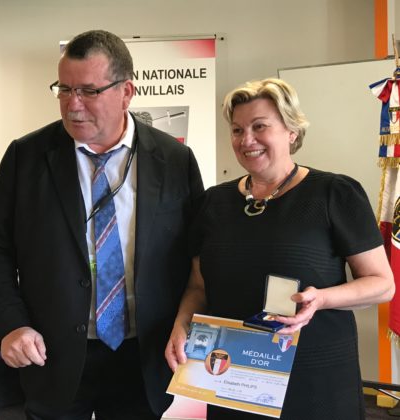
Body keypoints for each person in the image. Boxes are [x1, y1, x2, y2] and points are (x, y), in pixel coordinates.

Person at [0, 29, 204, 419]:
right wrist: (11, 323)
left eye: (88, 91)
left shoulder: (174, 160)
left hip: (143, 356)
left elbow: (198, 252)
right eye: (64, 90)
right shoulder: (27, 157)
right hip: (53, 355)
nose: (73, 105)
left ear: (127, 91)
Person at [165, 78, 395, 420]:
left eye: (260, 126)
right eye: (237, 130)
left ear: (291, 130)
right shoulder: (213, 203)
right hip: (233, 381)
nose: (247, 140)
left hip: (315, 382)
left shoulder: (334, 194)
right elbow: (199, 286)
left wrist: (321, 299)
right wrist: (182, 323)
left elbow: (382, 284)